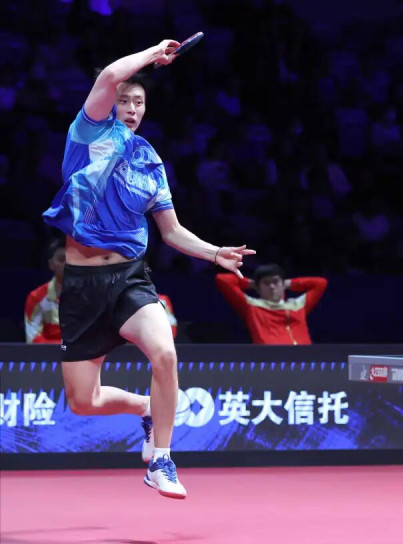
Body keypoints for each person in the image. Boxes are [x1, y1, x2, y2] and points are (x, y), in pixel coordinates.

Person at [41, 40, 255, 499]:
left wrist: (215, 253)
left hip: (130, 279)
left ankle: (161, 459)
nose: (132, 109)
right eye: (124, 100)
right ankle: (145, 408)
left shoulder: (148, 159)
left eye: (139, 102)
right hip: (82, 285)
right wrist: (154, 52)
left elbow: (171, 231)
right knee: (83, 401)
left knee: (165, 353)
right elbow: (108, 76)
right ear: (109, 102)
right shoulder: (87, 134)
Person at [26, 239, 179, 342]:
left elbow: (168, 334)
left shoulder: (160, 301)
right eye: (61, 259)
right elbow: (33, 339)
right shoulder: (98, 294)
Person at [216, 264, 327, 345]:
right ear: (258, 288)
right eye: (266, 283)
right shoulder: (251, 306)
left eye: (275, 281)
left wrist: (289, 283)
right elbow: (222, 280)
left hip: (305, 360)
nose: (272, 286)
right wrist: (251, 283)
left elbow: (320, 283)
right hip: (272, 361)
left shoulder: (298, 305)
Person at [25, 238, 65, 344]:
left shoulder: (89, 296)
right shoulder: (36, 298)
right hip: (49, 355)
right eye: (62, 259)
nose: (68, 265)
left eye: (72, 260)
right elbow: (33, 339)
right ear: (51, 264)